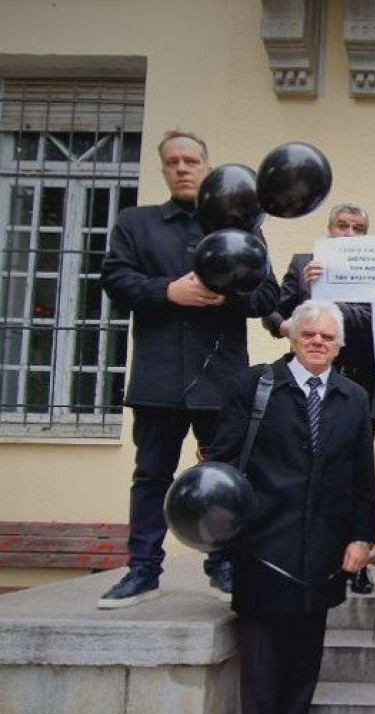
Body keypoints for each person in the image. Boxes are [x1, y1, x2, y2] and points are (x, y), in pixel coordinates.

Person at [97, 130, 278, 609]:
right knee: (151, 475)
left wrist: (229, 293)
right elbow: (115, 277)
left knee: (223, 475)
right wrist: (166, 291)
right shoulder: (138, 223)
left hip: (221, 380)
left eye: (191, 160)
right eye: (173, 161)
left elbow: (268, 297)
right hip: (158, 377)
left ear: (207, 166)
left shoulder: (240, 230)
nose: (182, 168)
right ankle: (142, 570)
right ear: (163, 169)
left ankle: (223, 565)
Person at [204, 301, 375, 714]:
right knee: (261, 654)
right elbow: (223, 462)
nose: (318, 342)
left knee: (306, 649)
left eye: (327, 336)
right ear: (293, 337)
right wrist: (222, 538)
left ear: (340, 345)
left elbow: (363, 475)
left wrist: (362, 536)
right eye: (310, 334)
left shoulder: (354, 397)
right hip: (261, 542)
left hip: (323, 546)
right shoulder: (255, 387)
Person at [260, 203, 375, 594]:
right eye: (341, 226)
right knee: (302, 467)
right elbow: (273, 312)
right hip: (303, 382)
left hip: (356, 382)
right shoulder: (302, 262)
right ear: (328, 231)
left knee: (353, 471)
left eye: (357, 228)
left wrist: (330, 309)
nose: (348, 233)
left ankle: (356, 560)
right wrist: (303, 303)